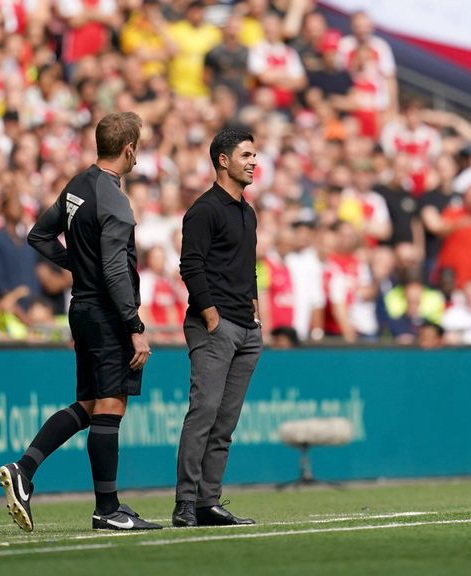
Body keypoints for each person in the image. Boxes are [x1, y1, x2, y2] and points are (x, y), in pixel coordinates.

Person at [0, 112, 161, 532]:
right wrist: (135, 326)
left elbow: (39, 234)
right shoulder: (115, 200)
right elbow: (114, 270)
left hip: (81, 307)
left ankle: (24, 469)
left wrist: (77, 265)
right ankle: (108, 509)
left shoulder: (77, 186)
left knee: (88, 405)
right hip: (106, 312)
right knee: (110, 405)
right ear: (129, 149)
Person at [173, 126, 262, 528]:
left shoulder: (247, 211)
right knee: (204, 413)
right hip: (215, 326)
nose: (253, 162)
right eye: (246, 155)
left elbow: (248, 267)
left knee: (225, 423)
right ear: (223, 160)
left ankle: (208, 501)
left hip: (246, 328)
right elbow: (190, 265)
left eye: (254, 155)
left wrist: (255, 311)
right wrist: (211, 315)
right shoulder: (204, 209)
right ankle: (186, 503)